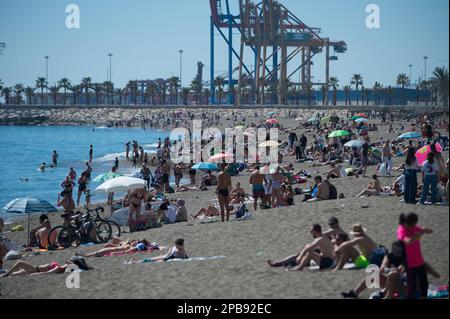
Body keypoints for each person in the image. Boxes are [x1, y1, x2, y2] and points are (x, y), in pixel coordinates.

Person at [341, 241, 407, 299]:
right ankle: (355, 293)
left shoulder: (406, 258)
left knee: (393, 275)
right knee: (374, 272)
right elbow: (382, 268)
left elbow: (400, 272)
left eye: (399, 251)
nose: (397, 253)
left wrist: (389, 270)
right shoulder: (389, 256)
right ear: (392, 249)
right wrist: (390, 269)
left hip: (400, 285)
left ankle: (386, 294)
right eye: (395, 251)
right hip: (388, 283)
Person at [267, 224, 335, 271]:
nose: (310, 232)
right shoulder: (322, 237)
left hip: (328, 262)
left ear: (315, 231)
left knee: (310, 253)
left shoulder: (320, 239)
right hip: (326, 260)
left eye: (311, 231)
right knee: (300, 253)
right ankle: (278, 263)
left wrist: (301, 256)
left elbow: (309, 248)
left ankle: (299, 267)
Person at [397, 213, 432, 299]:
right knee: (411, 286)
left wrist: (424, 230)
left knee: (424, 283)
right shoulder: (401, 230)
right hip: (409, 263)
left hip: (419, 261)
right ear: (407, 223)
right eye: (413, 224)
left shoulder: (413, 227)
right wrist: (415, 236)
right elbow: (407, 242)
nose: (414, 226)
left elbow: (430, 231)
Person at [1, 256, 91, 277]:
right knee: (14, 274)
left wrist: (33, 274)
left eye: (70, 261)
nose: (67, 260)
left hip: (34, 269)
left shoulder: (59, 268)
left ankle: (5, 275)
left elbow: (46, 273)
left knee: (19, 263)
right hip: (34, 269)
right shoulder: (61, 267)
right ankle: (5, 275)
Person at [76, 239, 151, 257]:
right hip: (109, 250)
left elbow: (133, 249)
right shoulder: (130, 245)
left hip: (109, 251)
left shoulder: (130, 246)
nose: (135, 241)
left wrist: (123, 252)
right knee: (97, 252)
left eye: (136, 241)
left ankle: (83, 255)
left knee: (96, 253)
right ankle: (84, 255)